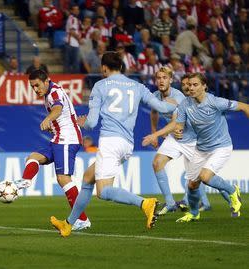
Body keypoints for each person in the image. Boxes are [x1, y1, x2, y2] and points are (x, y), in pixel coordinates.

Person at [50, 52, 177, 237]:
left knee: (103, 191)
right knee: (87, 178)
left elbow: (92, 123)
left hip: (110, 141)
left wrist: (81, 122)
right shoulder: (137, 86)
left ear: (104, 68)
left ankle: (145, 203)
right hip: (126, 144)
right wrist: (177, 104)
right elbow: (164, 108)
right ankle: (68, 223)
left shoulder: (100, 86)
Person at [143, 73, 249, 221]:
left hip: (221, 146)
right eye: (189, 85)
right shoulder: (185, 104)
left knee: (205, 177)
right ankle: (193, 213)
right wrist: (178, 130)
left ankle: (232, 191)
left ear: (204, 86)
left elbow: (245, 106)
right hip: (201, 147)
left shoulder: (216, 102)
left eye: (195, 85)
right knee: (192, 185)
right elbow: (179, 124)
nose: (191, 88)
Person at [13, 69, 90, 231]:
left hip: (67, 138)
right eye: (32, 86)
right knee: (33, 157)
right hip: (58, 137)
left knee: (63, 178)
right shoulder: (50, 93)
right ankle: (26, 180)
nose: (35, 89)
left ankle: (82, 220)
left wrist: (48, 119)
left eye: (37, 85)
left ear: (47, 81)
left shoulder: (54, 92)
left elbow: (58, 109)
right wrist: (52, 125)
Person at [148, 68, 210, 215]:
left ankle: (230, 193)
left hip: (190, 138)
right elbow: (154, 112)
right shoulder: (155, 96)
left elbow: (176, 123)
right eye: (158, 78)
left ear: (170, 80)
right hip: (175, 137)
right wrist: (153, 131)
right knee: (157, 163)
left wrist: (157, 134)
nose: (161, 80)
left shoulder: (179, 97)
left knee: (199, 175)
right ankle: (170, 203)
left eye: (164, 77)